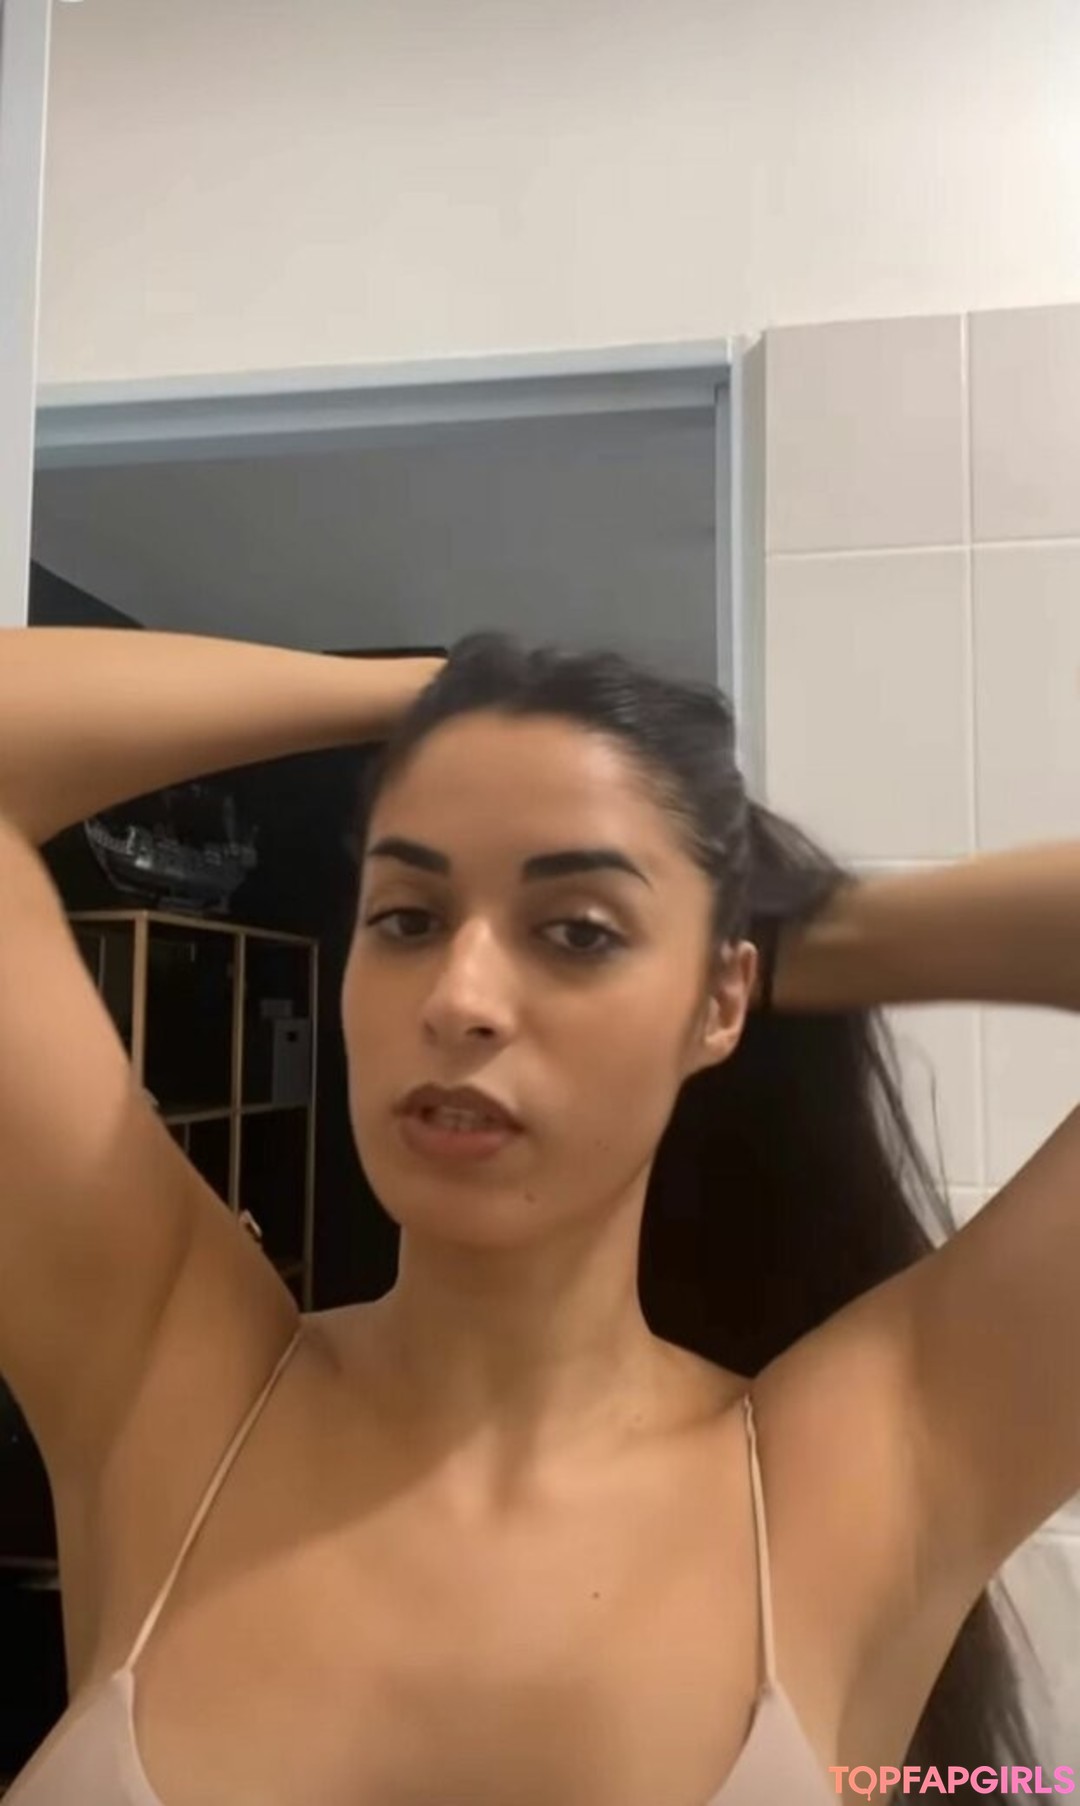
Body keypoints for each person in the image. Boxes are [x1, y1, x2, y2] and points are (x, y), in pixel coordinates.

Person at [0, 624, 1076, 1806]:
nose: (459, 998)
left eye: (578, 932)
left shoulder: (856, 1481)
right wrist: (448, 696)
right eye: (408, 918)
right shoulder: (170, 1396)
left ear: (722, 1005)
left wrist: (807, 943)